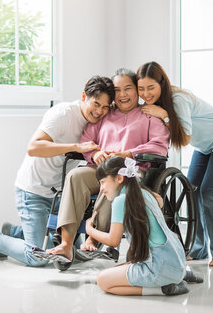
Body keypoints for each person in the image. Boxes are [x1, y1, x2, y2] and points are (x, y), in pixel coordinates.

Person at [0, 76, 115, 267]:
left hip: (59, 196)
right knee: (37, 257)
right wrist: (76, 146)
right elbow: (33, 147)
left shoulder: (100, 122)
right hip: (33, 191)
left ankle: (14, 231)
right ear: (84, 96)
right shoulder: (64, 114)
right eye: (96, 103)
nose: (99, 111)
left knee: (68, 251)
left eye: (105, 107)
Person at [46, 68, 170, 263]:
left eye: (128, 88)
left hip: (131, 169)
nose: (122, 94)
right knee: (75, 176)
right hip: (100, 168)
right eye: (117, 90)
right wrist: (95, 153)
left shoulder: (149, 115)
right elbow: (87, 139)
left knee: (114, 179)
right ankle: (66, 243)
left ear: (137, 91)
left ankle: (94, 238)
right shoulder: (104, 114)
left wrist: (128, 153)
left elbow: (159, 146)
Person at [136, 61, 213, 267]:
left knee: (211, 194)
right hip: (206, 146)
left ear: (162, 84)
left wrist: (165, 116)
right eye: (141, 88)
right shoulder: (157, 103)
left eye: (151, 88)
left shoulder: (177, 100)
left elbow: (184, 139)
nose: (146, 94)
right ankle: (199, 249)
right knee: (192, 191)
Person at [86, 156, 202, 296]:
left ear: (119, 178)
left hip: (158, 267)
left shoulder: (120, 201)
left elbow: (113, 240)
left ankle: (162, 289)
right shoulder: (145, 193)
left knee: (103, 280)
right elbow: (159, 202)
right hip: (177, 261)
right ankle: (177, 276)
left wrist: (90, 230)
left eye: (103, 182)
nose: (101, 188)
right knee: (122, 268)